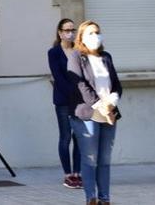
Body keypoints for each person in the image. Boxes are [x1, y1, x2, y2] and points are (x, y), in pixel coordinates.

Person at [66, 20, 122, 205]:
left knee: (105, 159)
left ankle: (105, 198)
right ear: (81, 37)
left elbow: (116, 84)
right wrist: (100, 105)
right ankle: (91, 198)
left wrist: (112, 101)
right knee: (91, 159)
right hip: (88, 113)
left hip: (109, 113)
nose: (95, 36)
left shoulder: (106, 56)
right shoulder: (76, 56)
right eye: (90, 33)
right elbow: (80, 85)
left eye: (97, 32)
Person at [48, 18, 83, 189]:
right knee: (65, 136)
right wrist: (73, 92)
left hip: (80, 101)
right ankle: (68, 174)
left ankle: (77, 173)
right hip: (63, 100)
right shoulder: (54, 52)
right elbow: (58, 77)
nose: (70, 33)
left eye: (72, 30)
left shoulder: (79, 51)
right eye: (66, 30)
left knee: (79, 136)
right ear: (60, 32)